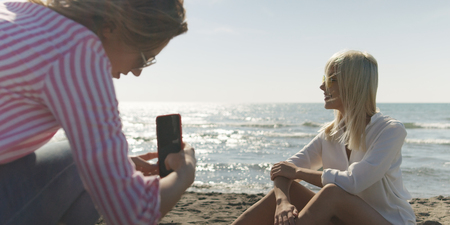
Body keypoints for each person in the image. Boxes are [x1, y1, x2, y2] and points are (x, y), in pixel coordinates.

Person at [0, 0, 196, 224]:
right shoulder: (78, 53)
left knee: (77, 160)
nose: (137, 72)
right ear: (110, 26)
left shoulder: (19, 11)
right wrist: (184, 175)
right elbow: (133, 214)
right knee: (76, 165)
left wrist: (114, 164)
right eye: (144, 57)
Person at [232, 50, 416, 225]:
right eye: (324, 79)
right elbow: (283, 169)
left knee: (332, 193)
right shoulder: (330, 134)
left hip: (389, 220)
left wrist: (297, 173)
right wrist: (282, 201)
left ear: (354, 84)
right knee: (291, 190)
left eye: (332, 79)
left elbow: (353, 182)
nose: (322, 86)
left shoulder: (390, 130)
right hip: (344, 219)